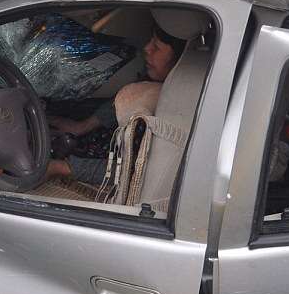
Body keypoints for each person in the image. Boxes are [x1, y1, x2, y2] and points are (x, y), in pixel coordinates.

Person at [46, 23, 186, 184]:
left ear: (181, 61)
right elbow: (124, 102)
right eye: (150, 41)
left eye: (157, 46)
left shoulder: (171, 120)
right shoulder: (153, 89)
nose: (147, 48)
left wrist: (59, 168)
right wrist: (81, 127)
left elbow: (134, 172)